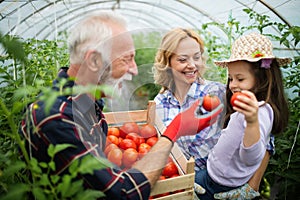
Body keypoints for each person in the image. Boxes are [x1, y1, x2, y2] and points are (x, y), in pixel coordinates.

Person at [19, 12, 223, 200]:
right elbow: (123, 194)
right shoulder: (59, 119)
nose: (135, 71)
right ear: (94, 61)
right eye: (127, 59)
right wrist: (175, 129)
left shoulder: (85, 104)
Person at [153, 28, 276, 199]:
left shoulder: (218, 93)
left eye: (196, 57)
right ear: (167, 63)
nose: (192, 65)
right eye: (183, 59)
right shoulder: (158, 105)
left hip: (221, 185)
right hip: (181, 188)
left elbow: (265, 137)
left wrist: (251, 187)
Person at [195, 32, 291, 199]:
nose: (232, 85)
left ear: (262, 79)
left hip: (219, 184)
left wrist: (252, 122)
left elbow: (251, 158)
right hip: (214, 173)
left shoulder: (258, 113)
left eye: (240, 79)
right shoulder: (253, 107)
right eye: (231, 78)